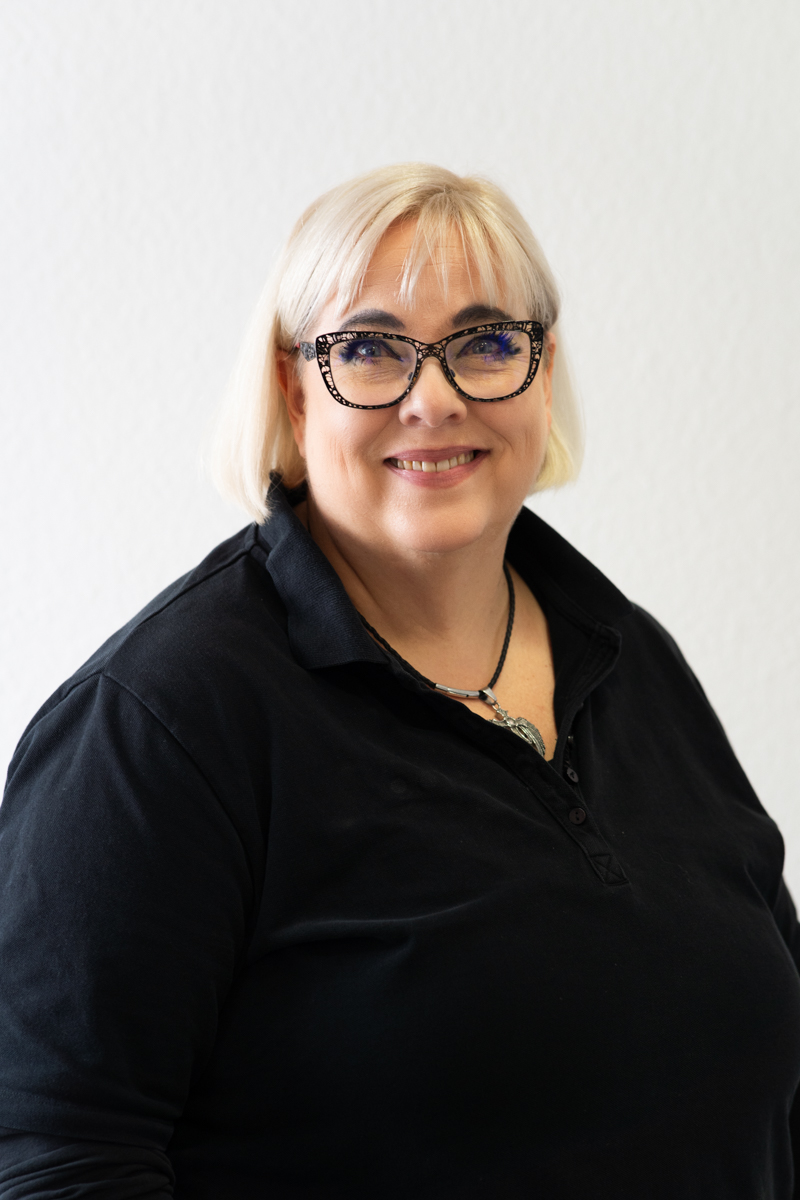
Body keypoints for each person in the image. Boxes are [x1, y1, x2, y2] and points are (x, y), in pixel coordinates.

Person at [1, 163, 799, 1200]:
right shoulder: (161, 722)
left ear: (542, 370)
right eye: (369, 349)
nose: (435, 399)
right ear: (291, 387)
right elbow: (56, 1161)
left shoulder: (628, 656)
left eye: (486, 343)